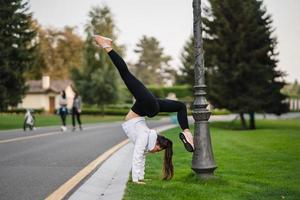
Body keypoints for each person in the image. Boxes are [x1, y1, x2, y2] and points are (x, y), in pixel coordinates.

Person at [94, 35, 194, 184]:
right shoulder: (145, 137)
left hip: (145, 108)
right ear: (157, 144)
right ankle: (105, 45)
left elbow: (139, 157)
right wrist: (136, 180)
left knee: (180, 106)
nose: (155, 152)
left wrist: (140, 178)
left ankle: (187, 133)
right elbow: (137, 156)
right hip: (146, 106)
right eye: (158, 150)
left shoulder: (146, 137)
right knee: (126, 75)